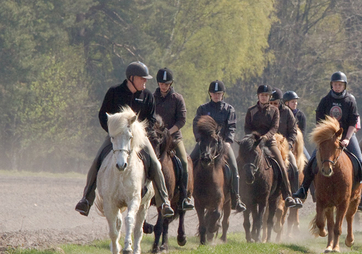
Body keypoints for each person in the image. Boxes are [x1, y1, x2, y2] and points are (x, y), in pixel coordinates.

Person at [75, 61, 175, 217]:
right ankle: (86, 200)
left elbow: (151, 119)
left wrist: (141, 134)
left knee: (155, 163)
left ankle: (164, 201)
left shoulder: (147, 96)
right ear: (132, 78)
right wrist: (112, 132)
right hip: (116, 138)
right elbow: (103, 115)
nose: (145, 81)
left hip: (139, 139)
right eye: (142, 78)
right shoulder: (114, 92)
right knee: (96, 161)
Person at [292, 71, 362, 211]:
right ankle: (303, 189)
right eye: (335, 84)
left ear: (344, 85)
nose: (337, 86)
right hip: (328, 139)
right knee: (312, 161)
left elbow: (352, 122)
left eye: (340, 84)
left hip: (346, 137)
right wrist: (325, 139)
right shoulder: (325, 101)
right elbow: (320, 122)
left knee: (360, 161)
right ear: (331, 85)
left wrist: (347, 139)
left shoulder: (350, 100)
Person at [190, 80, 246, 212]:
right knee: (189, 162)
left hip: (222, 144)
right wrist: (199, 139)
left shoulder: (229, 110)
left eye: (219, 93)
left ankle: (236, 198)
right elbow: (196, 125)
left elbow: (232, 127)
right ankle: (185, 196)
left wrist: (228, 141)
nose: (216, 95)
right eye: (214, 93)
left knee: (233, 168)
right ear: (210, 94)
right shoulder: (203, 109)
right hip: (205, 144)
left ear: (223, 94)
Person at [245, 84, 299, 208]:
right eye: (262, 95)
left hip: (270, 141)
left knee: (281, 164)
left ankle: (288, 195)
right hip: (254, 142)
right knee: (241, 160)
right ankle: (238, 194)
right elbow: (247, 128)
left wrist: (266, 137)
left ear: (269, 97)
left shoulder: (275, 110)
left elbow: (274, 127)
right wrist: (253, 138)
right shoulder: (251, 110)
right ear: (258, 96)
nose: (264, 98)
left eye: (266, 96)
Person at [153, 68, 194, 211]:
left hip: (174, 137)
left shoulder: (177, 98)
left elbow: (182, 120)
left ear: (171, 84)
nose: (163, 86)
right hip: (156, 138)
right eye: (161, 83)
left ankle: (185, 197)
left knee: (183, 161)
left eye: (166, 84)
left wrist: (168, 132)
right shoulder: (152, 98)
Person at [269, 88, 300, 199]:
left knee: (294, 167)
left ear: (280, 102)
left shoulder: (287, 112)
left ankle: (295, 196)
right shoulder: (264, 111)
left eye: (275, 103)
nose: (273, 105)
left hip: (283, 147)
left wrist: (289, 145)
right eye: (271, 103)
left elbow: (293, 131)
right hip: (266, 145)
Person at [283, 90, 310, 159]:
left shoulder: (301, 115)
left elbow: (303, 131)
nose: (295, 103)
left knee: (308, 159)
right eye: (292, 102)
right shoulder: (282, 114)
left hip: (297, 142)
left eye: (296, 101)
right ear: (286, 103)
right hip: (284, 141)